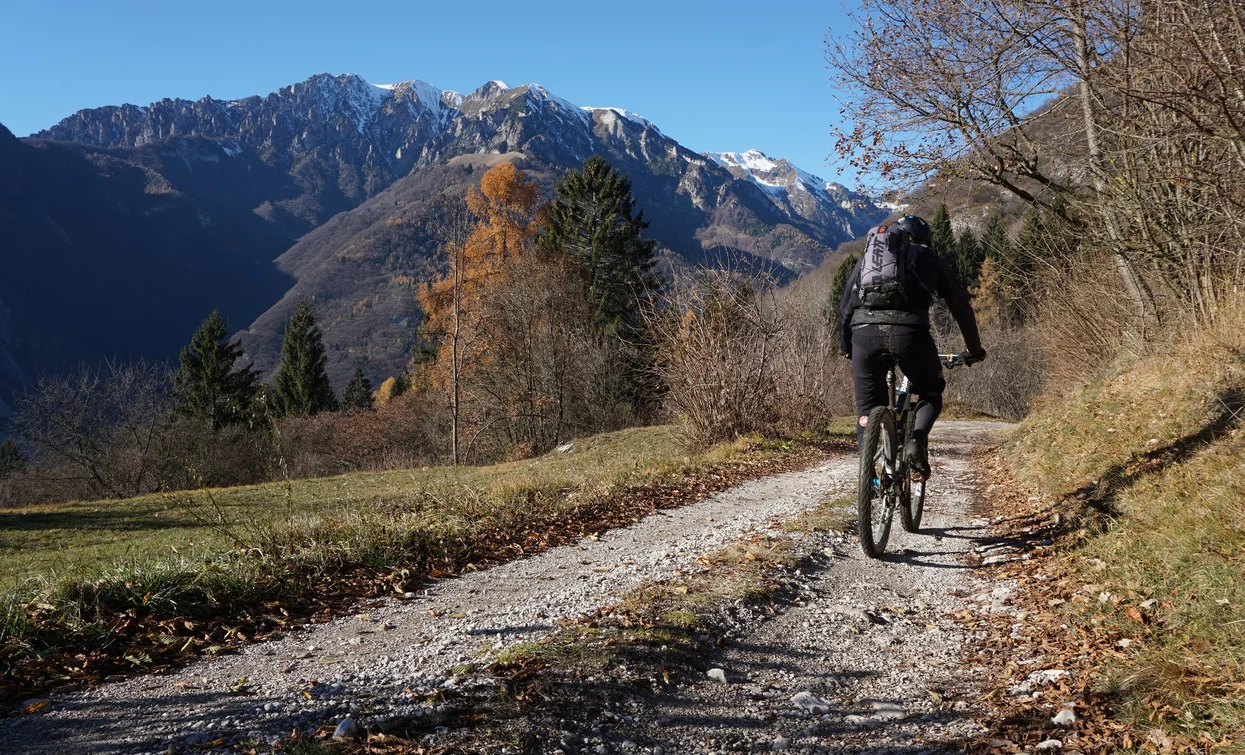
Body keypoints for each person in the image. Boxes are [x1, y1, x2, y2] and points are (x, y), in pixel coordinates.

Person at [837, 215, 986, 478]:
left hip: (863, 335)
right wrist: (974, 348)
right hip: (910, 336)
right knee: (930, 392)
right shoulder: (930, 259)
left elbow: (845, 305)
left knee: (867, 409)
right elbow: (960, 306)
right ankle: (916, 440)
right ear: (923, 240)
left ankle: (869, 474)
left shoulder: (871, 260)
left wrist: (846, 346)